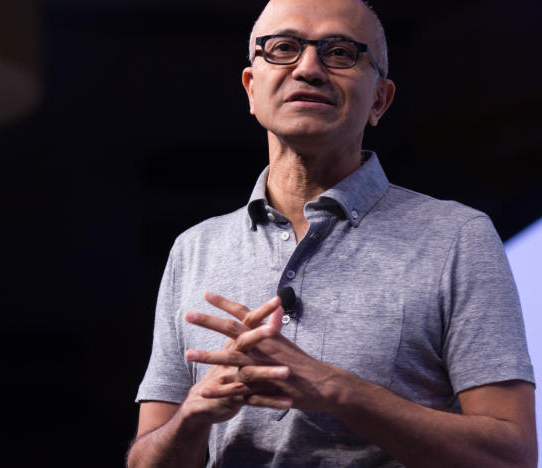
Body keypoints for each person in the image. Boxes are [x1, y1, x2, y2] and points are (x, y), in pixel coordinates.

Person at [126, 0, 537, 466]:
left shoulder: (458, 237)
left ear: (379, 99)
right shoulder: (195, 248)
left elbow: (513, 457)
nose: (308, 68)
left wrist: (338, 391)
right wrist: (193, 416)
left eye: (340, 53)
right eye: (283, 48)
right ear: (251, 88)